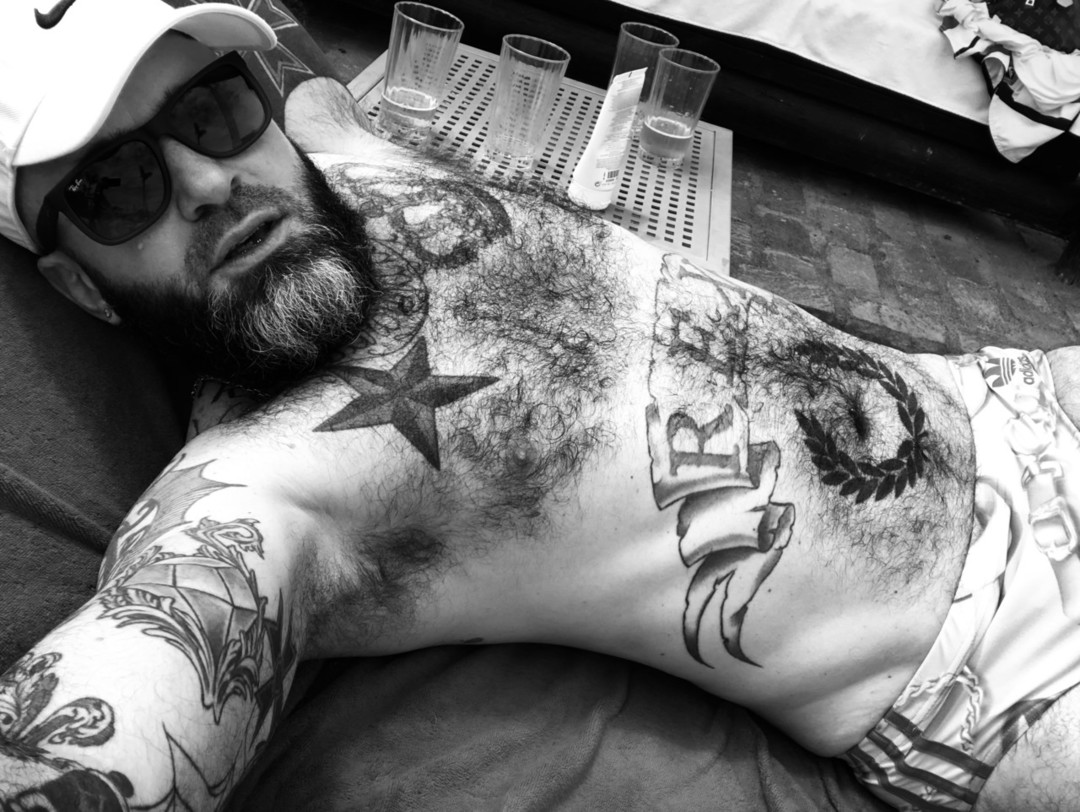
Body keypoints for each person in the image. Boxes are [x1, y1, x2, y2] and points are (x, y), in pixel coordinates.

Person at [2, 1, 1080, 810]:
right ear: (79, 286)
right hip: (998, 658)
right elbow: (147, 662)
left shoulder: (339, 153)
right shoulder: (258, 483)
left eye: (213, 110)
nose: (207, 181)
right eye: (116, 187)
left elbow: (316, 93)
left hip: (1006, 392)